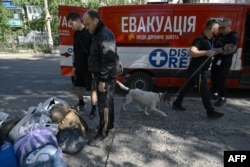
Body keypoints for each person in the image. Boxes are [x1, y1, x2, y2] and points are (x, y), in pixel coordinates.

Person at [172, 19, 224, 119]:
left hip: (196, 70)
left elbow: (209, 52)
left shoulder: (209, 41)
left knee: (188, 86)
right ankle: (210, 112)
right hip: (198, 71)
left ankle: (177, 103)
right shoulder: (200, 39)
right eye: (217, 29)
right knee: (205, 91)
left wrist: (221, 50)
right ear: (211, 28)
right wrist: (206, 52)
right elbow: (191, 52)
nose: (218, 31)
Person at [82, 10, 117, 145]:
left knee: (104, 106)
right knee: (108, 103)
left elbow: (109, 59)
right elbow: (96, 55)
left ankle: (102, 133)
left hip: (105, 77)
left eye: (88, 24)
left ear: (96, 20)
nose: (86, 27)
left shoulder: (105, 35)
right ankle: (109, 126)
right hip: (100, 74)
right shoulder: (97, 33)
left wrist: (102, 79)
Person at [66, 12, 97, 119]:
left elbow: (94, 53)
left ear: (79, 21)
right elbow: (75, 50)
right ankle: (81, 103)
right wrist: (74, 65)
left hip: (89, 67)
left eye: (72, 24)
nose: (71, 27)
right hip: (78, 65)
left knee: (92, 89)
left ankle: (94, 109)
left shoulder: (89, 33)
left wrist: (94, 69)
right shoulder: (76, 34)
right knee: (77, 85)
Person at [211, 18, 239, 107]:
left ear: (228, 27)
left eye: (223, 28)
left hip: (225, 61)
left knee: (221, 80)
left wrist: (219, 50)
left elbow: (230, 50)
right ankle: (214, 93)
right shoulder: (220, 36)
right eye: (220, 28)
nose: (221, 29)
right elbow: (214, 47)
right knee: (213, 77)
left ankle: (222, 97)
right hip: (216, 60)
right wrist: (221, 49)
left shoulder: (233, 36)